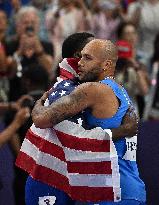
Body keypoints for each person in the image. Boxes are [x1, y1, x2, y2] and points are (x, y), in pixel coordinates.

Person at [16, 33, 137, 205]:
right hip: (52, 180)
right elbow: (47, 123)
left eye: (89, 57)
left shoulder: (94, 89)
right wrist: (123, 130)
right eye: (83, 56)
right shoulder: (71, 88)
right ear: (75, 57)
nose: (81, 63)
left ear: (106, 63)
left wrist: (39, 104)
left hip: (110, 188)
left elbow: (48, 122)